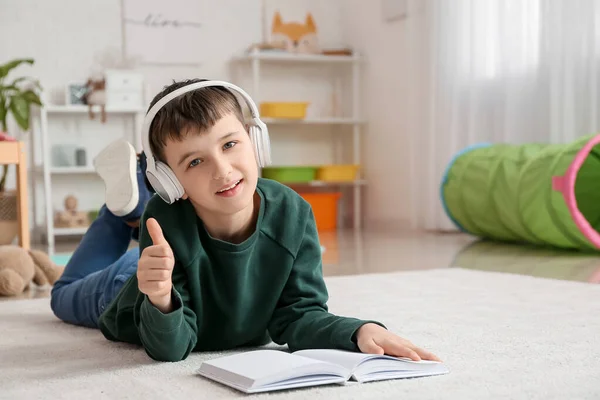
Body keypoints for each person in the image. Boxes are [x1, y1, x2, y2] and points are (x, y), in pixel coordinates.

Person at [51, 79, 441, 363]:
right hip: (141, 285)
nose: (223, 170)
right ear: (170, 182)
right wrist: (159, 295)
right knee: (62, 295)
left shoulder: (293, 213)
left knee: (139, 247)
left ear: (256, 142)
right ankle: (122, 213)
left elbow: (299, 315)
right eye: (195, 161)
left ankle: (131, 206)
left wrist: (358, 332)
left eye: (230, 144)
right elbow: (171, 348)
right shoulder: (167, 221)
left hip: (168, 270)